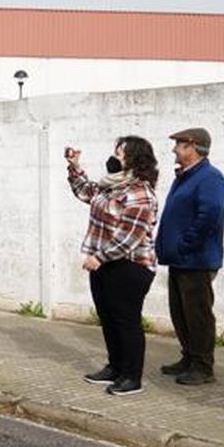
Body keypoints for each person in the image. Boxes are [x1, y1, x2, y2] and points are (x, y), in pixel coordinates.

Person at [67, 136, 161, 396]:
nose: (114, 158)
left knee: (126, 321)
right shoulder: (110, 186)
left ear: (134, 160)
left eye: (120, 154)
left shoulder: (140, 193)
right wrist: (74, 166)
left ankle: (131, 377)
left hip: (130, 266)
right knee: (108, 318)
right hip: (104, 265)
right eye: (116, 152)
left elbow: (130, 237)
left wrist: (99, 257)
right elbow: (84, 191)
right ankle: (115, 367)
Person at [156, 128, 224, 386]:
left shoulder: (210, 178)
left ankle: (202, 365)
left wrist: (185, 245)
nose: (174, 149)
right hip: (180, 259)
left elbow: (210, 215)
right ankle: (189, 356)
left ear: (192, 146)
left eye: (178, 145)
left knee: (198, 314)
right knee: (181, 312)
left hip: (196, 259)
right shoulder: (187, 177)